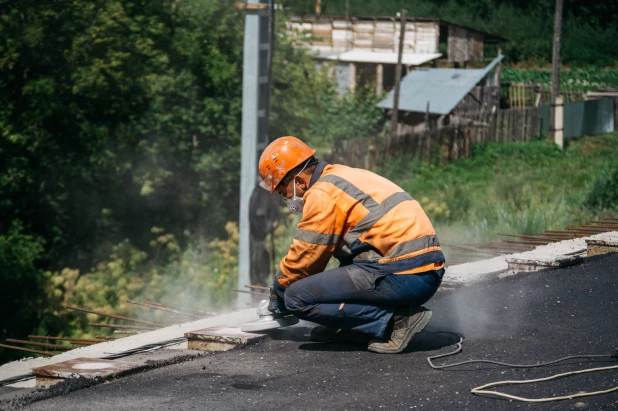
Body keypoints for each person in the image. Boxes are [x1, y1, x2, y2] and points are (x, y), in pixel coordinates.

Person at [258, 136, 445, 354]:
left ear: (298, 181)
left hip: (404, 274)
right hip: (424, 270)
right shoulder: (343, 175)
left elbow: (306, 257)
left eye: (284, 193)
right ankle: (357, 327)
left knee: (296, 297)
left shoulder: (322, 194)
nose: (288, 200)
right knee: (336, 269)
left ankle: (396, 321)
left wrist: (279, 288)